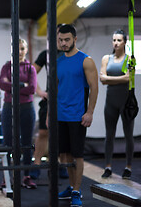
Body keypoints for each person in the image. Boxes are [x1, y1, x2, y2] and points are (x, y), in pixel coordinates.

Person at [55, 24, 98, 207]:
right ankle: (71, 186)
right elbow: (56, 89)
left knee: (77, 155)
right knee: (64, 155)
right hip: (60, 115)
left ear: (75, 39)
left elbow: (95, 87)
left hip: (77, 116)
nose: (63, 43)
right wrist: (51, 114)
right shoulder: (58, 61)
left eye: (67, 40)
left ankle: (76, 191)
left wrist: (90, 112)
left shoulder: (85, 60)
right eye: (60, 40)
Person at [29, 25, 68, 180]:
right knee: (44, 132)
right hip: (49, 100)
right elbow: (31, 72)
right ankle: (36, 164)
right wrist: (38, 91)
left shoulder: (69, 54)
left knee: (63, 134)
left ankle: (61, 165)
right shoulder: (46, 54)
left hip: (66, 100)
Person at [0, 39, 37, 189]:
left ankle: (26, 176)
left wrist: (12, 86)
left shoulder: (30, 68)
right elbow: (2, 85)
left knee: (27, 143)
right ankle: (7, 177)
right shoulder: (6, 67)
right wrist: (22, 85)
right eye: (16, 49)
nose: (19, 52)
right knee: (7, 143)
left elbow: (32, 88)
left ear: (26, 50)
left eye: (22, 49)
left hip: (27, 108)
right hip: (9, 107)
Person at [99, 29, 134, 179]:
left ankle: (128, 167)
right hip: (111, 102)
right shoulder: (106, 58)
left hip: (126, 103)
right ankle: (108, 167)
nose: (116, 43)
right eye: (114, 40)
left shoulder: (130, 59)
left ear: (125, 42)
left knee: (128, 135)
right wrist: (120, 78)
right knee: (109, 135)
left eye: (119, 40)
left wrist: (109, 79)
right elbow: (102, 79)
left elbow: (128, 79)